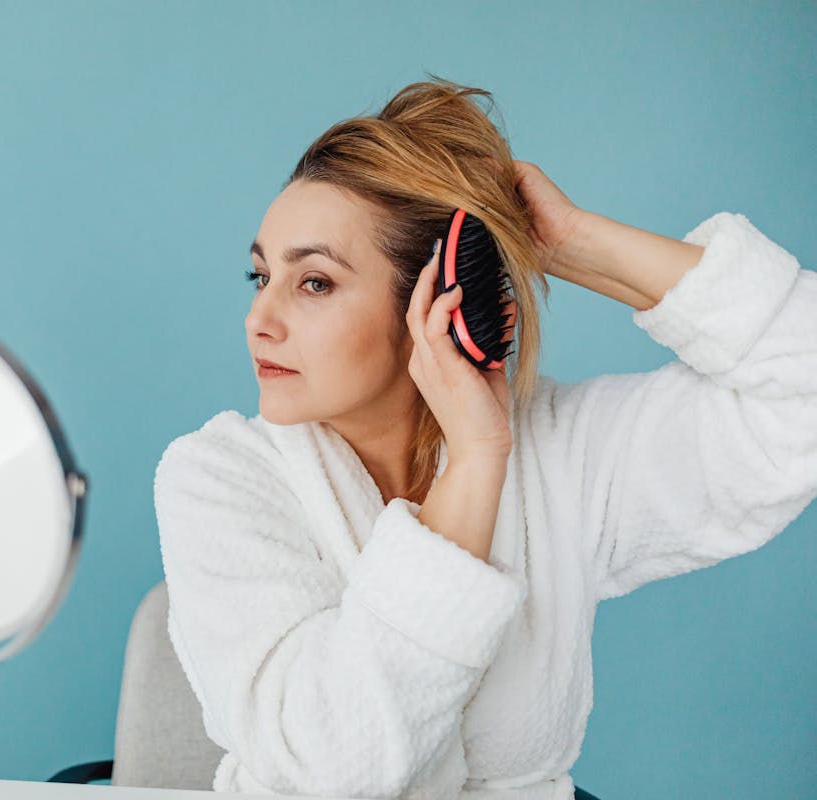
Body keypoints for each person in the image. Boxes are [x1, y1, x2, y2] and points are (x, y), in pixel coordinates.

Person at [153, 77, 816, 800]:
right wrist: (473, 462)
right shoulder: (216, 478)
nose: (260, 319)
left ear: (440, 302)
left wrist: (575, 244)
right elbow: (332, 769)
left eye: (313, 283)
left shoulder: (562, 454)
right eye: (260, 277)